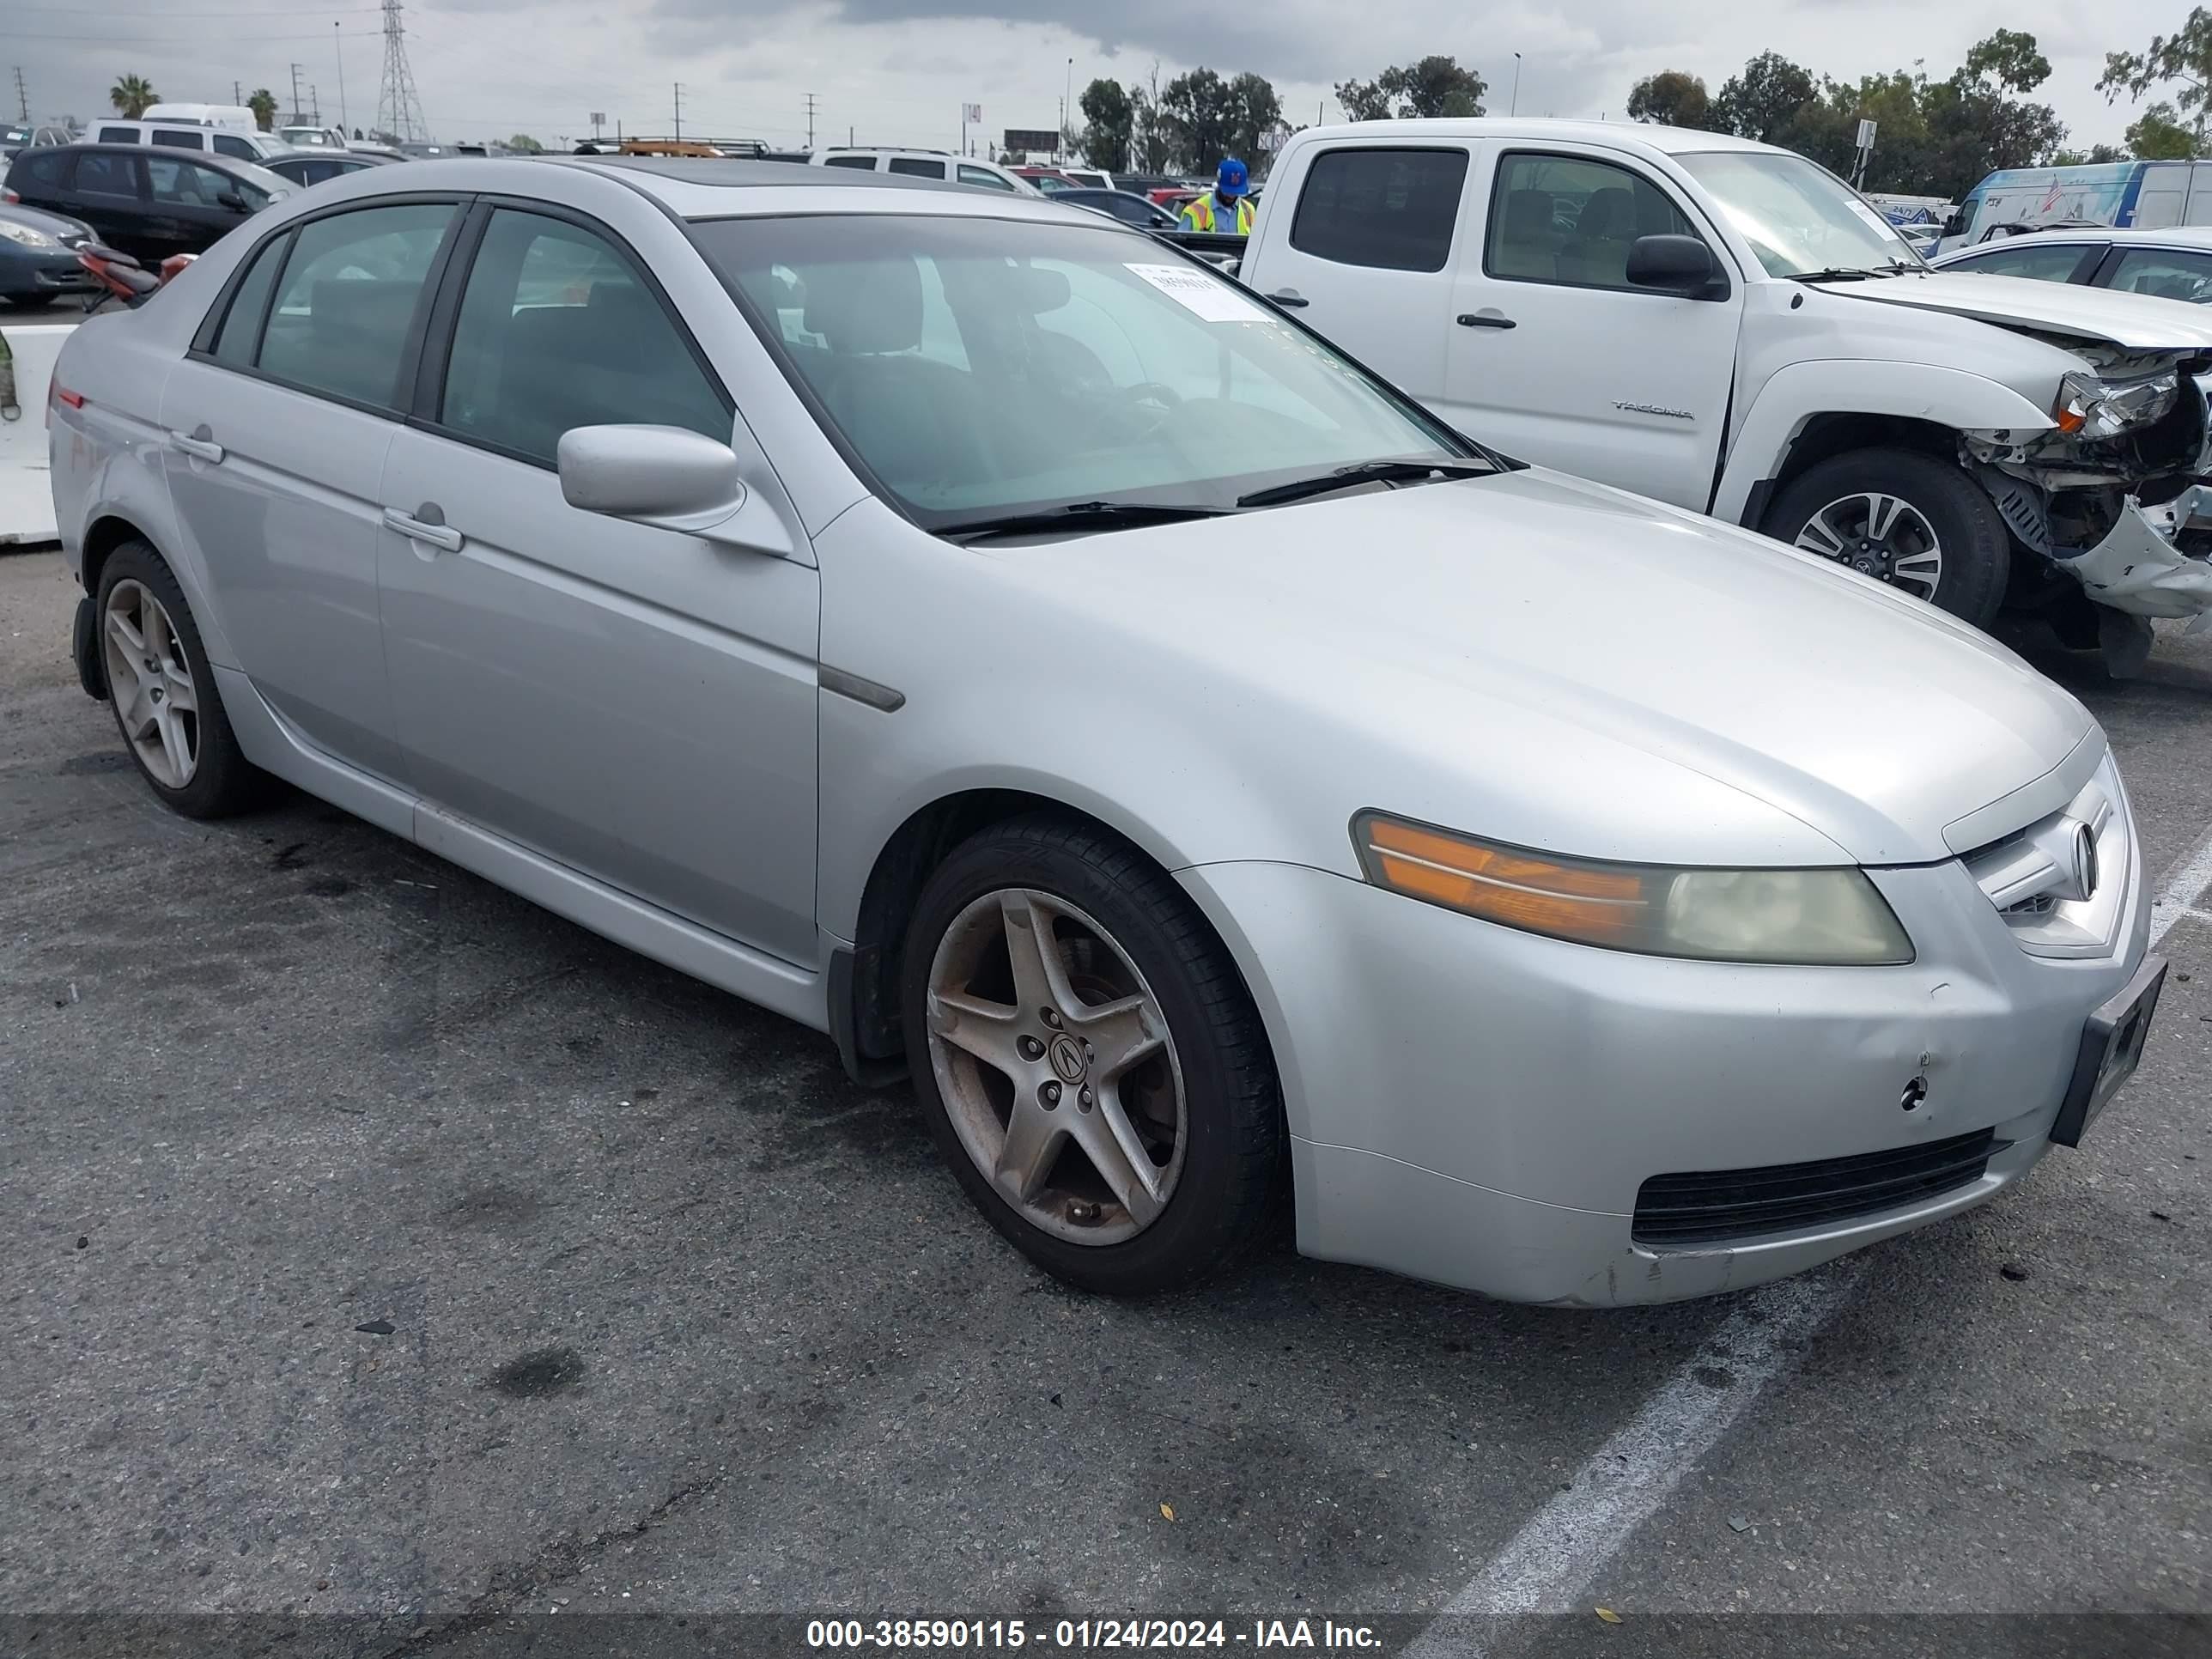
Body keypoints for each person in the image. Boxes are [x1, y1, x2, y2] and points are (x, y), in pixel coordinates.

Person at [1180, 157, 1255, 234]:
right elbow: (1180, 243)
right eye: (1227, 191)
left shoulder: (1249, 211)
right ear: (1218, 184)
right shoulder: (1193, 212)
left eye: (1235, 192)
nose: (1231, 196)